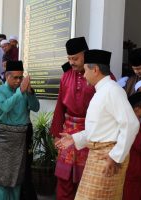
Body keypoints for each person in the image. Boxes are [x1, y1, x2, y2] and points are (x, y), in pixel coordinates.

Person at [56, 49, 139, 199]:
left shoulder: (112, 90)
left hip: (108, 156)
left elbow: (132, 124)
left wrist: (116, 156)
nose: (84, 74)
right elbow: (100, 129)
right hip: (97, 155)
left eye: (86, 70)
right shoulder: (102, 91)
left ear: (95, 70)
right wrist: (74, 139)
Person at [50, 37, 93, 200]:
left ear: (85, 55)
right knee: (64, 180)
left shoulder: (99, 74)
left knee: (86, 180)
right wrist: (56, 133)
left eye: (75, 58)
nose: (72, 62)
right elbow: (60, 106)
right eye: (69, 59)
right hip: (67, 132)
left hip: (90, 133)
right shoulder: (66, 75)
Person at [0, 60, 40, 200]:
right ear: (7, 76)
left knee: (17, 177)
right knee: (1, 176)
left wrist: (30, 93)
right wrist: (20, 92)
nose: (19, 81)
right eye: (15, 77)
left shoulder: (24, 91)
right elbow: (5, 107)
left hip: (20, 138)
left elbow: (35, 107)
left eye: (21, 77)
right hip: (3, 138)